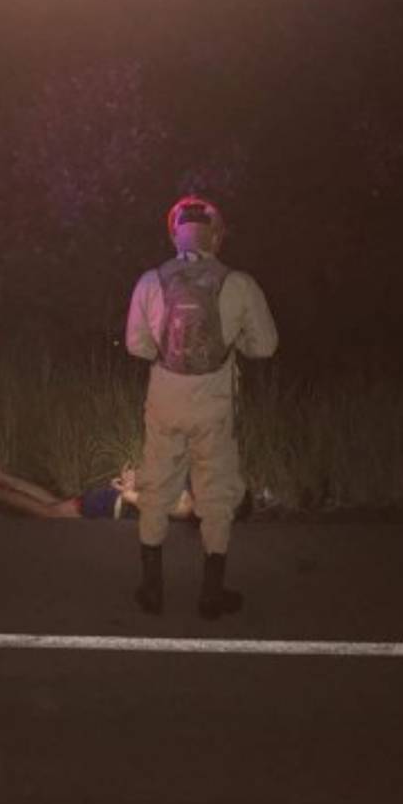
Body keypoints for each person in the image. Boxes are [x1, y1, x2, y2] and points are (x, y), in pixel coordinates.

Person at [125, 195, 278, 619]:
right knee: (217, 493)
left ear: (174, 234)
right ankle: (211, 593)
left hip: (165, 398)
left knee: (156, 488)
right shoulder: (238, 283)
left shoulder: (150, 281)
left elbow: (137, 346)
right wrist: (234, 341)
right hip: (213, 404)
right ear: (216, 235)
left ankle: (151, 589)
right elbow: (265, 346)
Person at [0, 465, 194, 521]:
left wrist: (132, 481)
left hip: (110, 500)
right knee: (50, 513)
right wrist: (132, 493)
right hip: (107, 504)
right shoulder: (189, 493)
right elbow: (180, 508)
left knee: (54, 503)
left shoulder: (184, 475)